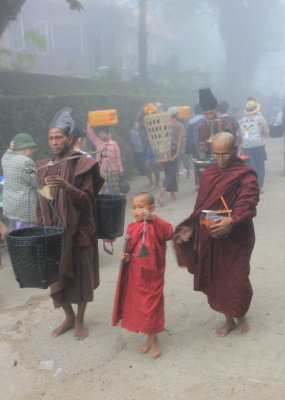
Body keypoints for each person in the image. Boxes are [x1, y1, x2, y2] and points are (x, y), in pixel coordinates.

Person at [174, 132, 259, 337]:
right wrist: (192, 227)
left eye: (225, 154)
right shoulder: (210, 173)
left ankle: (240, 315)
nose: (220, 159)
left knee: (237, 277)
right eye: (216, 154)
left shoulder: (245, 174)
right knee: (217, 278)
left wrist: (233, 220)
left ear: (235, 151)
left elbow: (248, 203)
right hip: (212, 234)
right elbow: (201, 205)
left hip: (238, 236)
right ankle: (228, 319)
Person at [36, 108, 104, 340]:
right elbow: (43, 199)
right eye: (51, 138)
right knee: (56, 277)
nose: (54, 142)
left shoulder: (83, 164)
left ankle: (80, 319)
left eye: (58, 137)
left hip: (80, 230)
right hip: (54, 232)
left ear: (69, 139)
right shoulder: (45, 166)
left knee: (82, 276)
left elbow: (87, 200)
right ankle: (68, 317)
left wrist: (66, 186)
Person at [112, 192, 173, 358]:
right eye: (134, 208)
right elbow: (132, 251)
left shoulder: (157, 225)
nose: (137, 211)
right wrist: (126, 256)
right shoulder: (132, 227)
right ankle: (149, 339)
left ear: (151, 208)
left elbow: (169, 233)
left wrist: (153, 218)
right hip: (136, 276)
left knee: (150, 308)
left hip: (153, 275)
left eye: (141, 206)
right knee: (141, 308)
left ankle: (153, 341)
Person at [1, 133, 37, 230]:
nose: (32, 151)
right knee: (27, 238)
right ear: (24, 147)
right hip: (24, 211)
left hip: (11, 208)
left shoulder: (5, 158)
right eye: (31, 148)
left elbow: (8, 152)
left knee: (15, 236)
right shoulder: (26, 161)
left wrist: (11, 147)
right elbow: (36, 183)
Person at [197, 88, 238, 159]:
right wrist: (201, 148)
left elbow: (232, 141)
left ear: (216, 110)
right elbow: (199, 147)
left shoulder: (226, 124)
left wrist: (221, 129)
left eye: (211, 113)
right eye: (206, 114)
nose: (209, 116)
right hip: (209, 160)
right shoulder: (201, 127)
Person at [156, 107, 184, 205]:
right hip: (172, 151)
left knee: (169, 173)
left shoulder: (164, 125)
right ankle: (160, 193)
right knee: (171, 174)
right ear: (176, 115)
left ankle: (173, 195)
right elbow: (180, 140)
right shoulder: (179, 125)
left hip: (164, 151)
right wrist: (177, 153)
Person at [239, 100, 269, 193]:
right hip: (259, 146)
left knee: (251, 166)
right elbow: (266, 132)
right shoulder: (260, 119)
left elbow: (240, 135)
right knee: (260, 166)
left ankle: (252, 185)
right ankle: (260, 186)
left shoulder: (241, 121)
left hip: (247, 147)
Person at [87, 125, 123, 195]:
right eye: (100, 133)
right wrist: (89, 122)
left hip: (113, 170)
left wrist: (120, 169)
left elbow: (118, 157)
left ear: (108, 133)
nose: (101, 135)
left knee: (115, 189)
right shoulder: (98, 142)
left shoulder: (114, 144)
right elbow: (90, 133)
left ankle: (116, 203)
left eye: (103, 133)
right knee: (102, 189)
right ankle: (104, 203)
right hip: (101, 171)